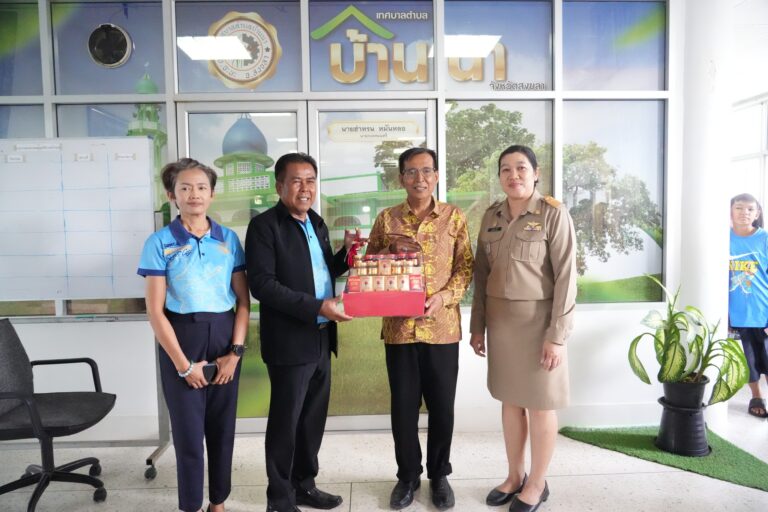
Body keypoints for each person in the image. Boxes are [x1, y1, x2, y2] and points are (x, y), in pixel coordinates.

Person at [245, 152, 357, 512]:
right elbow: (262, 285)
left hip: (322, 336)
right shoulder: (264, 227)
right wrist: (317, 307)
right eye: (296, 180)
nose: (305, 188)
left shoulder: (316, 222)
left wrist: (346, 254)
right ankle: (279, 498)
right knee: (286, 422)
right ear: (280, 186)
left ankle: (304, 485)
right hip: (290, 341)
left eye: (310, 180)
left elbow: (320, 272)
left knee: (311, 421)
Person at [138, 158, 250, 512]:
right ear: (171, 195)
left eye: (202, 187)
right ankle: (190, 505)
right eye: (185, 188)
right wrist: (184, 366)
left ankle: (218, 502)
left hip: (224, 334)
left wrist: (235, 353)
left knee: (222, 430)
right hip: (180, 337)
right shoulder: (159, 242)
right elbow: (155, 312)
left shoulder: (228, 239)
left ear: (212, 194)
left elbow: (243, 302)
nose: (194, 194)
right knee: (188, 435)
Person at [469, 145, 576, 512]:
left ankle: (537, 482)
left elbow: (566, 278)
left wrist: (556, 336)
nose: (513, 175)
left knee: (541, 405)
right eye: (505, 169)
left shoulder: (552, 214)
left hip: (539, 325)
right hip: (501, 324)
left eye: (521, 168)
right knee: (510, 401)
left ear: (535, 172)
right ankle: (515, 476)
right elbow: (481, 275)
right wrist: (478, 326)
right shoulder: (491, 216)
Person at [367, 147, 474, 511]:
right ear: (401, 178)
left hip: (442, 329)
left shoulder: (454, 217)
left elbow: (465, 267)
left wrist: (444, 297)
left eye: (427, 171)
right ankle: (407, 476)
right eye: (411, 172)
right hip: (399, 330)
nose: (420, 178)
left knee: (442, 408)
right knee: (403, 410)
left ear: (437, 176)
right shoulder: (387, 219)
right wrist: (387, 255)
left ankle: (439, 475)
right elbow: (370, 264)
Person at [728, 193, 768, 419]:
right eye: (739, 208)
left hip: (762, 311)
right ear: (730, 211)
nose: (744, 213)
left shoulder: (764, 239)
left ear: (757, 213)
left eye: (750, 209)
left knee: (766, 358)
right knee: (748, 360)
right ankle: (756, 396)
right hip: (735, 314)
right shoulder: (722, 238)